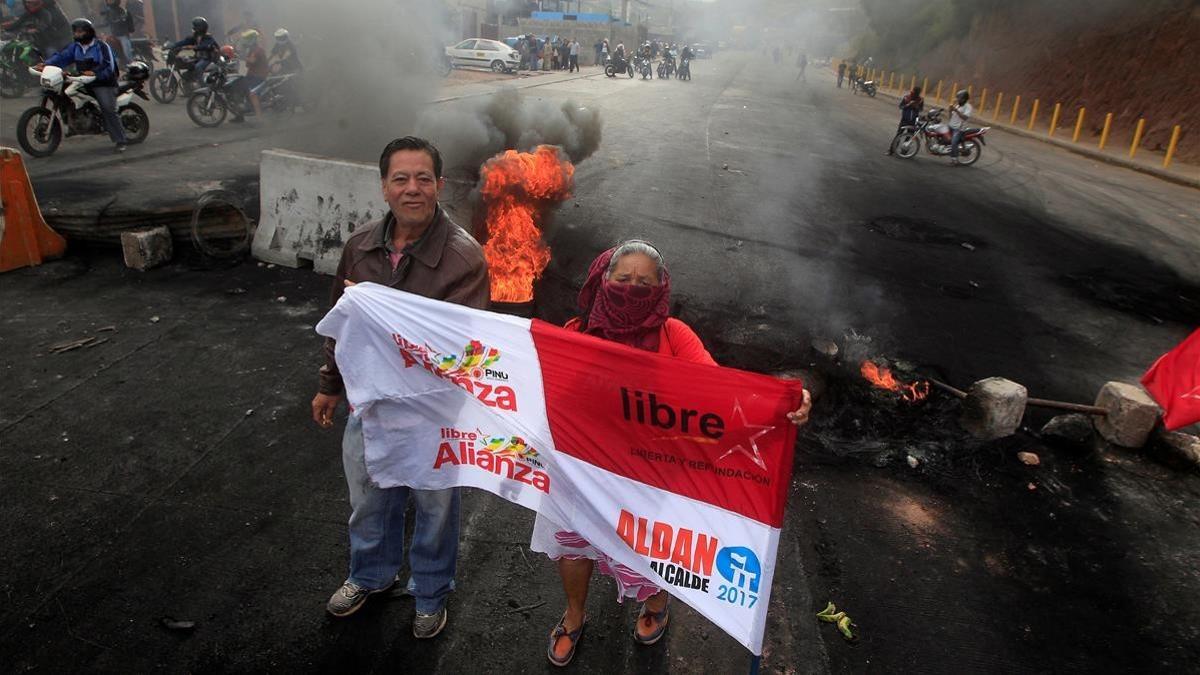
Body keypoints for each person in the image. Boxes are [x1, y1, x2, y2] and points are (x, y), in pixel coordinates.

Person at [535, 241, 813, 667]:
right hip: (584, 469)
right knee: (573, 544)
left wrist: (781, 405)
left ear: (661, 288)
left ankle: (655, 605)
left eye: (644, 282)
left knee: (653, 553)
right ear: (602, 280)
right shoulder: (575, 336)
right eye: (623, 279)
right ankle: (574, 614)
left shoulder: (675, 336)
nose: (632, 289)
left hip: (649, 477)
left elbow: (719, 394)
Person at [314, 136, 490, 636]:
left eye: (423, 179)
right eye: (401, 179)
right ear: (384, 188)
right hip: (369, 404)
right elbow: (340, 322)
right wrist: (329, 383)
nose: (413, 189)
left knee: (435, 506)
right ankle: (369, 575)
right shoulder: (361, 246)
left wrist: (387, 321)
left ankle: (430, 592)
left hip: (434, 411)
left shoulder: (464, 258)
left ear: (439, 185)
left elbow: (460, 348)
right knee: (369, 498)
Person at [36, 18, 127, 152]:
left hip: (103, 82)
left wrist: (94, 72)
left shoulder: (101, 46)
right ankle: (73, 124)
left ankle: (120, 140)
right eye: (75, 32)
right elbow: (61, 57)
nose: (77, 35)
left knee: (108, 108)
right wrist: (46, 64)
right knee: (61, 94)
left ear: (89, 32)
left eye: (80, 32)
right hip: (82, 80)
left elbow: (108, 65)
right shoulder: (75, 47)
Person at [4, 0, 71, 56]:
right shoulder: (30, 13)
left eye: (30, 2)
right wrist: (4, 29)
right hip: (42, 42)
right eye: (27, 2)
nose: (28, 5)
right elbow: (18, 23)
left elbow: (45, 23)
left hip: (56, 40)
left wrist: (37, 29)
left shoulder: (48, 11)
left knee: (51, 55)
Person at [234, 29, 266, 120]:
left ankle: (260, 118)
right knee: (237, 87)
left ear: (252, 39)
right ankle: (240, 115)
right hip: (251, 75)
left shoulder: (257, 50)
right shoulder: (250, 49)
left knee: (253, 94)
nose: (245, 41)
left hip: (259, 76)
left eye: (247, 39)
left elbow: (252, 60)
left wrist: (241, 56)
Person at [887, 85, 924, 155]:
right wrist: (908, 105)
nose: (915, 94)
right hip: (904, 120)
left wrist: (916, 107)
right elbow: (901, 106)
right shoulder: (906, 97)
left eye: (917, 93)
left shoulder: (920, 100)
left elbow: (921, 109)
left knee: (909, 136)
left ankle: (904, 151)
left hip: (913, 121)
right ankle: (891, 150)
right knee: (899, 135)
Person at [99, 0, 132, 64]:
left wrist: (119, 20)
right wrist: (95, 26)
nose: (109, 1)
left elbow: (124, 18)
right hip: (113, 35)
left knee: (126, 52)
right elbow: (105, 22)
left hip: (122, 35)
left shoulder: (122, 10)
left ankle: (132, 64)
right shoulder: (108, 11)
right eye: (108, 0)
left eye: (111, 0)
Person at [948, 89, 973, 165]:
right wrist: (949, 111)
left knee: (954, 142)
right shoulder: (958, 105)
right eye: (957, 97)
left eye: (959, 98)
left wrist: (956, 110)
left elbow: (965, 117)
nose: (957, 99)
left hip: (959, 129)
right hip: (951, 125)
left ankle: (955, 160)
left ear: (964, 99)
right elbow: (951, 117)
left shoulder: (968, 107)